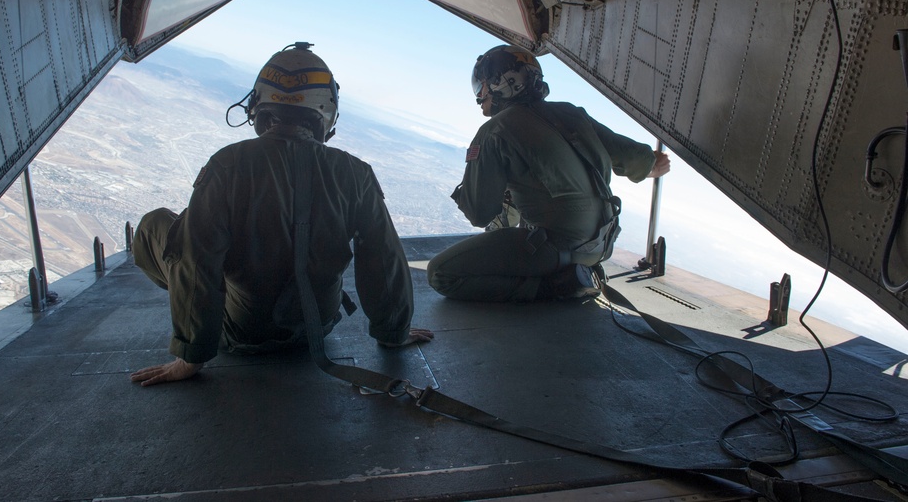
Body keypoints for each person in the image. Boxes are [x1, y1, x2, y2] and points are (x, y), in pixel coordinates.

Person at [131, 42, 433, 386]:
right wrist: (393, 331)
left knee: (157, 224)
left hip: (243, 336)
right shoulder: (356, 172)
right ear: (326, 111)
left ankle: (199, 323)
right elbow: (383, 257)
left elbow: (195, 260)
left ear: (259, 104)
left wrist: (190, 353)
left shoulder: (227, 163)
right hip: (319, 327)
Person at [428, 45, 670, 303]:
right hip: (600, 244)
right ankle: (574, 273)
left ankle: (555, 286)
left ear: (503, 84)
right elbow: (640, 161)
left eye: (483, 86)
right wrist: (652, 165)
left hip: (556, 248)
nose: (480, 95)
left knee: (441, 274)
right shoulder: (572, 113)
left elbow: (479, 213)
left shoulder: (494, 132)